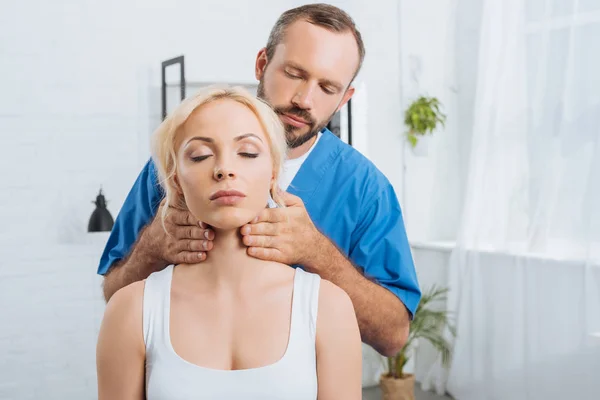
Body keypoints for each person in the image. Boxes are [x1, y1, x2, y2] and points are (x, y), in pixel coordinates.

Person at [97, 3, 421, 357]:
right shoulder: (181, 160)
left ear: (345, 98)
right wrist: (153, 246)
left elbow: (393, 337)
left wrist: (316, 253)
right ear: (262, 64)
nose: (304, 99)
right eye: (295, 73)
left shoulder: (365, 189)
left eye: (327, 88)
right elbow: (114, 294)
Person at [96, 86, 363, 399]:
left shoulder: (328, 308)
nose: (224, 169)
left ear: (274, 172)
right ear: (176, 181)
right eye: (200, 155)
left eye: (248, 152)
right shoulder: (131, 311)